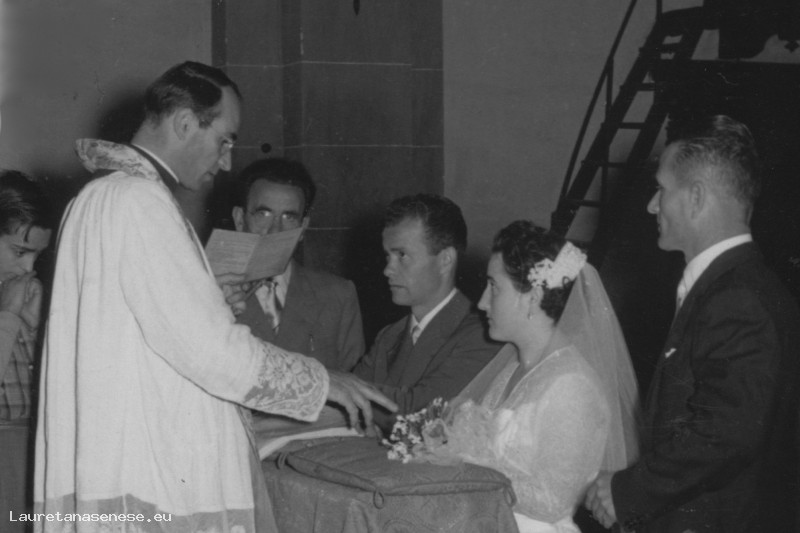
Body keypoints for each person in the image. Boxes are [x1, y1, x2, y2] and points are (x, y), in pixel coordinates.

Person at [33, 61, 394, 533]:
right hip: (151, 467)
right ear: (185, 123)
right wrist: (323, 382)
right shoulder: (141, 203)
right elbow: (209, 352)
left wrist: (210, 298)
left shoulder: (102, 196)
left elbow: (141, 333)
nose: (225, 161)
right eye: (224, 140)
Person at [585, 115, 800, 532]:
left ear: (696, 198)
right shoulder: (740, 286)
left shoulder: (737, 299)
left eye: (662, 190)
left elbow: (727, 433)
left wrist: (629, 491)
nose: (652, 205)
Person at [415, 221, 639, 533]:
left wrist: (461, 462)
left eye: (494, 287)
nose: (482, 302)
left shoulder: (572, 385)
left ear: (533, 297)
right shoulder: (512, 367)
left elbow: (553, 500)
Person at [352, 194, 501, 433]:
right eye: (387, 256)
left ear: (445, 260)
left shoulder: (482, 336)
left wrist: (326, 384)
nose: (388, 270)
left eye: (402, 255)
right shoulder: (389, 336)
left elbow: (421, 412)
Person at [232, 158, 364, 372]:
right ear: (239, 219)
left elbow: (355, 384)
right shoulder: (211, 292)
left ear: (303, 227)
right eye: (263, 214)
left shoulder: (337, 296)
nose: (275, 230)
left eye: (289, 217)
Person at [0, 171, 52, 532]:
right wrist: (8, 315)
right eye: (20, 251)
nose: (29, 268)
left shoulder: (19, 291)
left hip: (30, 446)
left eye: (37, 255)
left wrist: (35, 330)